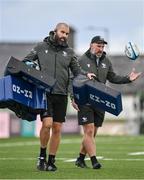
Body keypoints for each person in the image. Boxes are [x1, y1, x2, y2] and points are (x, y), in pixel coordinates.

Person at [23, 23, 95, 172]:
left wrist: (85, 74)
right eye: (62, 32)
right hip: (45, 92)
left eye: (67, 34)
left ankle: (51, 161)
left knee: (57, 128)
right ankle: (42, 157)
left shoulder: (69, 52)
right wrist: (31, 68)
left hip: (61, 94)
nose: (65, 36)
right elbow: (26, 62)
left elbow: (76, 70)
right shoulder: (41, 46)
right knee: (47, 124)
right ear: (55, 31)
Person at [71, 36, 141, 169]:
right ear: (91, 45)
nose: (101, 49)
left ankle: (80, 158)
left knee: (93, 132)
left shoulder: (106, 61)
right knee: (89, 130)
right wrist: (72, 96)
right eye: (98, 46)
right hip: (84, 99)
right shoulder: (80, 60)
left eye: (103, 46)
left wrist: (128, 79)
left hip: (100, 99)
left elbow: (112, 77)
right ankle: (94, 161)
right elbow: (72, 78)